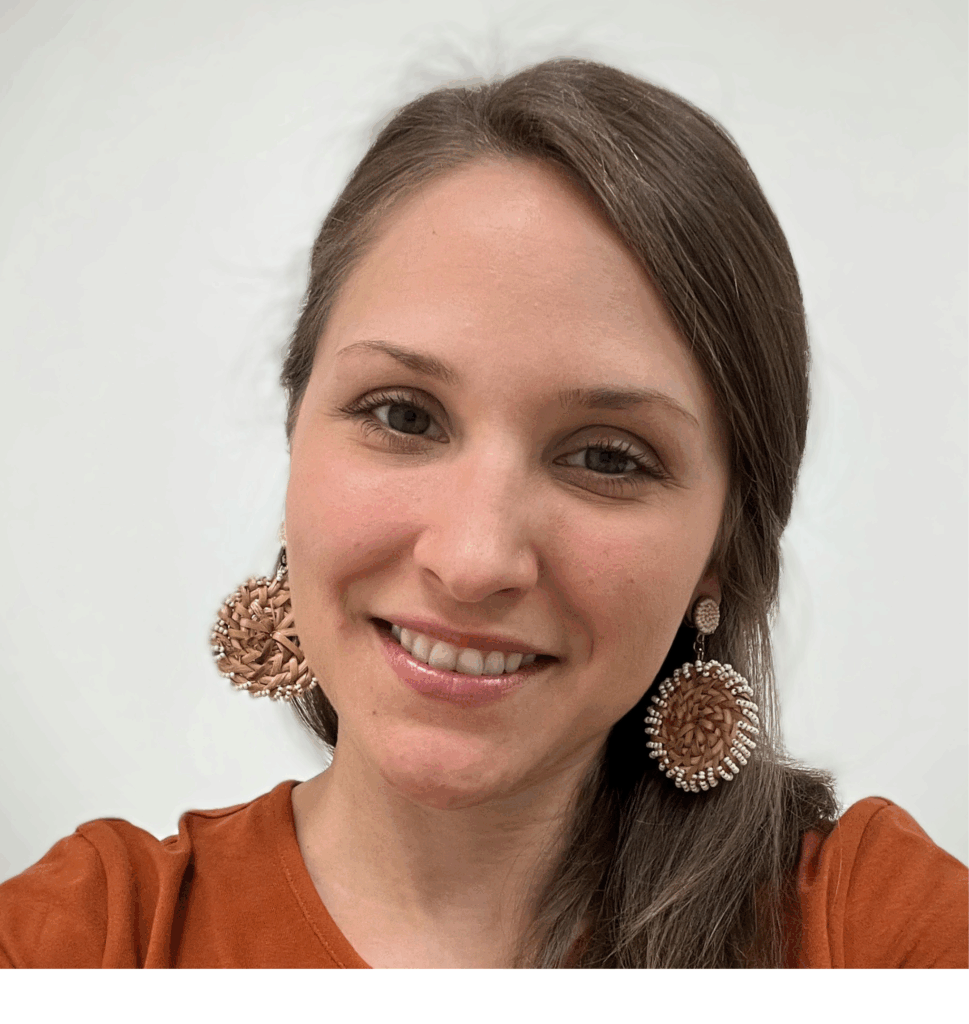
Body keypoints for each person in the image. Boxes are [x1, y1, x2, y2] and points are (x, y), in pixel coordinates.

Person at [1, 56, 965, 970]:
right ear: (297, 431)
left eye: (606, 457)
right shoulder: (87, 942)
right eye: (402, 416)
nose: (471, 560)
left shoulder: (871, 933)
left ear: (724, 541)